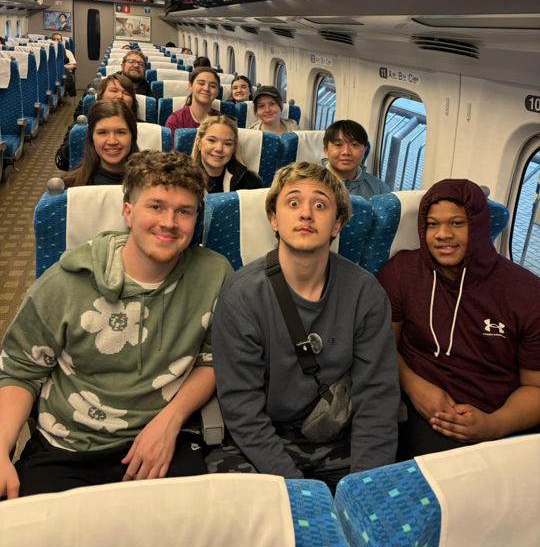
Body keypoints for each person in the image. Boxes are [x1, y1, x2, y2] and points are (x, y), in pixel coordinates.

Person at [0, 150, 234, 499]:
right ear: (128, 212)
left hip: (163, 440)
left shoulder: (215, 275)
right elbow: (20, 369)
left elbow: (213, 358)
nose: (169, 222)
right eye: (155, 207)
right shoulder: (65, 282)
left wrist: (170, 421)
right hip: (67, 447)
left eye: (183, 211)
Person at [206, 162, 399, 489]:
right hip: (264, 440)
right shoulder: (241, 297)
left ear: (337, 224)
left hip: (342, 438)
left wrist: (363, 490)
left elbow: (377, 404)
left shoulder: (366, 294)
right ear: (274, 220)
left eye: (320, 205)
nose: (306, 213)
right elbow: (243, 412)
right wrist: (298, 490)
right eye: (293, 203)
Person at [376, 179, 540, 461]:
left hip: (503, 414)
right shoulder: (401, 273)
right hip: (423, 409)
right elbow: (382, 349)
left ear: (478, 228)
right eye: (432, 224)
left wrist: (493, 425)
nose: (442, 235)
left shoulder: (527, 293)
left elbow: (535, 387)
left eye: (457, 223)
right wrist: (414, 387)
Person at [55, 74, 138, 172]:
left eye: (126, 93)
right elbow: (62, 162)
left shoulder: (149, 130)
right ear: (99, 98)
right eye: (114, 91)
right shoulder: (83, 127)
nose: (120, 96)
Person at [62, 100, 139, 188]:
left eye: (120, 132)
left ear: (132, 137)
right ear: (92, 139)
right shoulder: (70, 187)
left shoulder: (152, 184)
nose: (112, 141)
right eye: (102, 133)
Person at [191, 115, 262, 194]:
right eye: (212, 140)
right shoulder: (183, 180)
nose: (219, 149)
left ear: (234, 148)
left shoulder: (249, 182)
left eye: (227, 144)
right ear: (199, 142)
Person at [323, 120, 390, 199]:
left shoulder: (379, 189)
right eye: (338, 145)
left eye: (354, 145)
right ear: (326, 151)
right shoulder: (308, 181)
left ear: (364, 151)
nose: (346, 152)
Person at [165, 67, 221, 141]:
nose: (206, 89)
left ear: (217, 92)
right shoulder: (176, 120)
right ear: (190, 86)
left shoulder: (222, 121)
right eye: (201, 83)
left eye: (213, 86)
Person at [52, 33, 77, 97]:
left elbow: (72, 66)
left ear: (62, 42)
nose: (56, 41)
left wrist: (61, 67)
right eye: (54, 39)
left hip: (62, 72)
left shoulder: (67, 52)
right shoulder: (48, 54)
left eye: (58, 39)